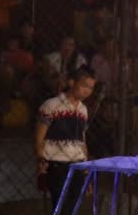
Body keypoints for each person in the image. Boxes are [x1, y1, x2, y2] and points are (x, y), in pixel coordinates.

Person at [35, 65, 97, 213]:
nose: (87, 91)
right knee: (61, 206)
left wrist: (86, 170)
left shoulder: (83, 110)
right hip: (57, 165)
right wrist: (40, 163)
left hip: (77, 165)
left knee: (72, 207)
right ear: (71, 82)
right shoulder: (51, 106)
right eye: (84, 85)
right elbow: (39, 137)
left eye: (90, 87)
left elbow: (82, 141)